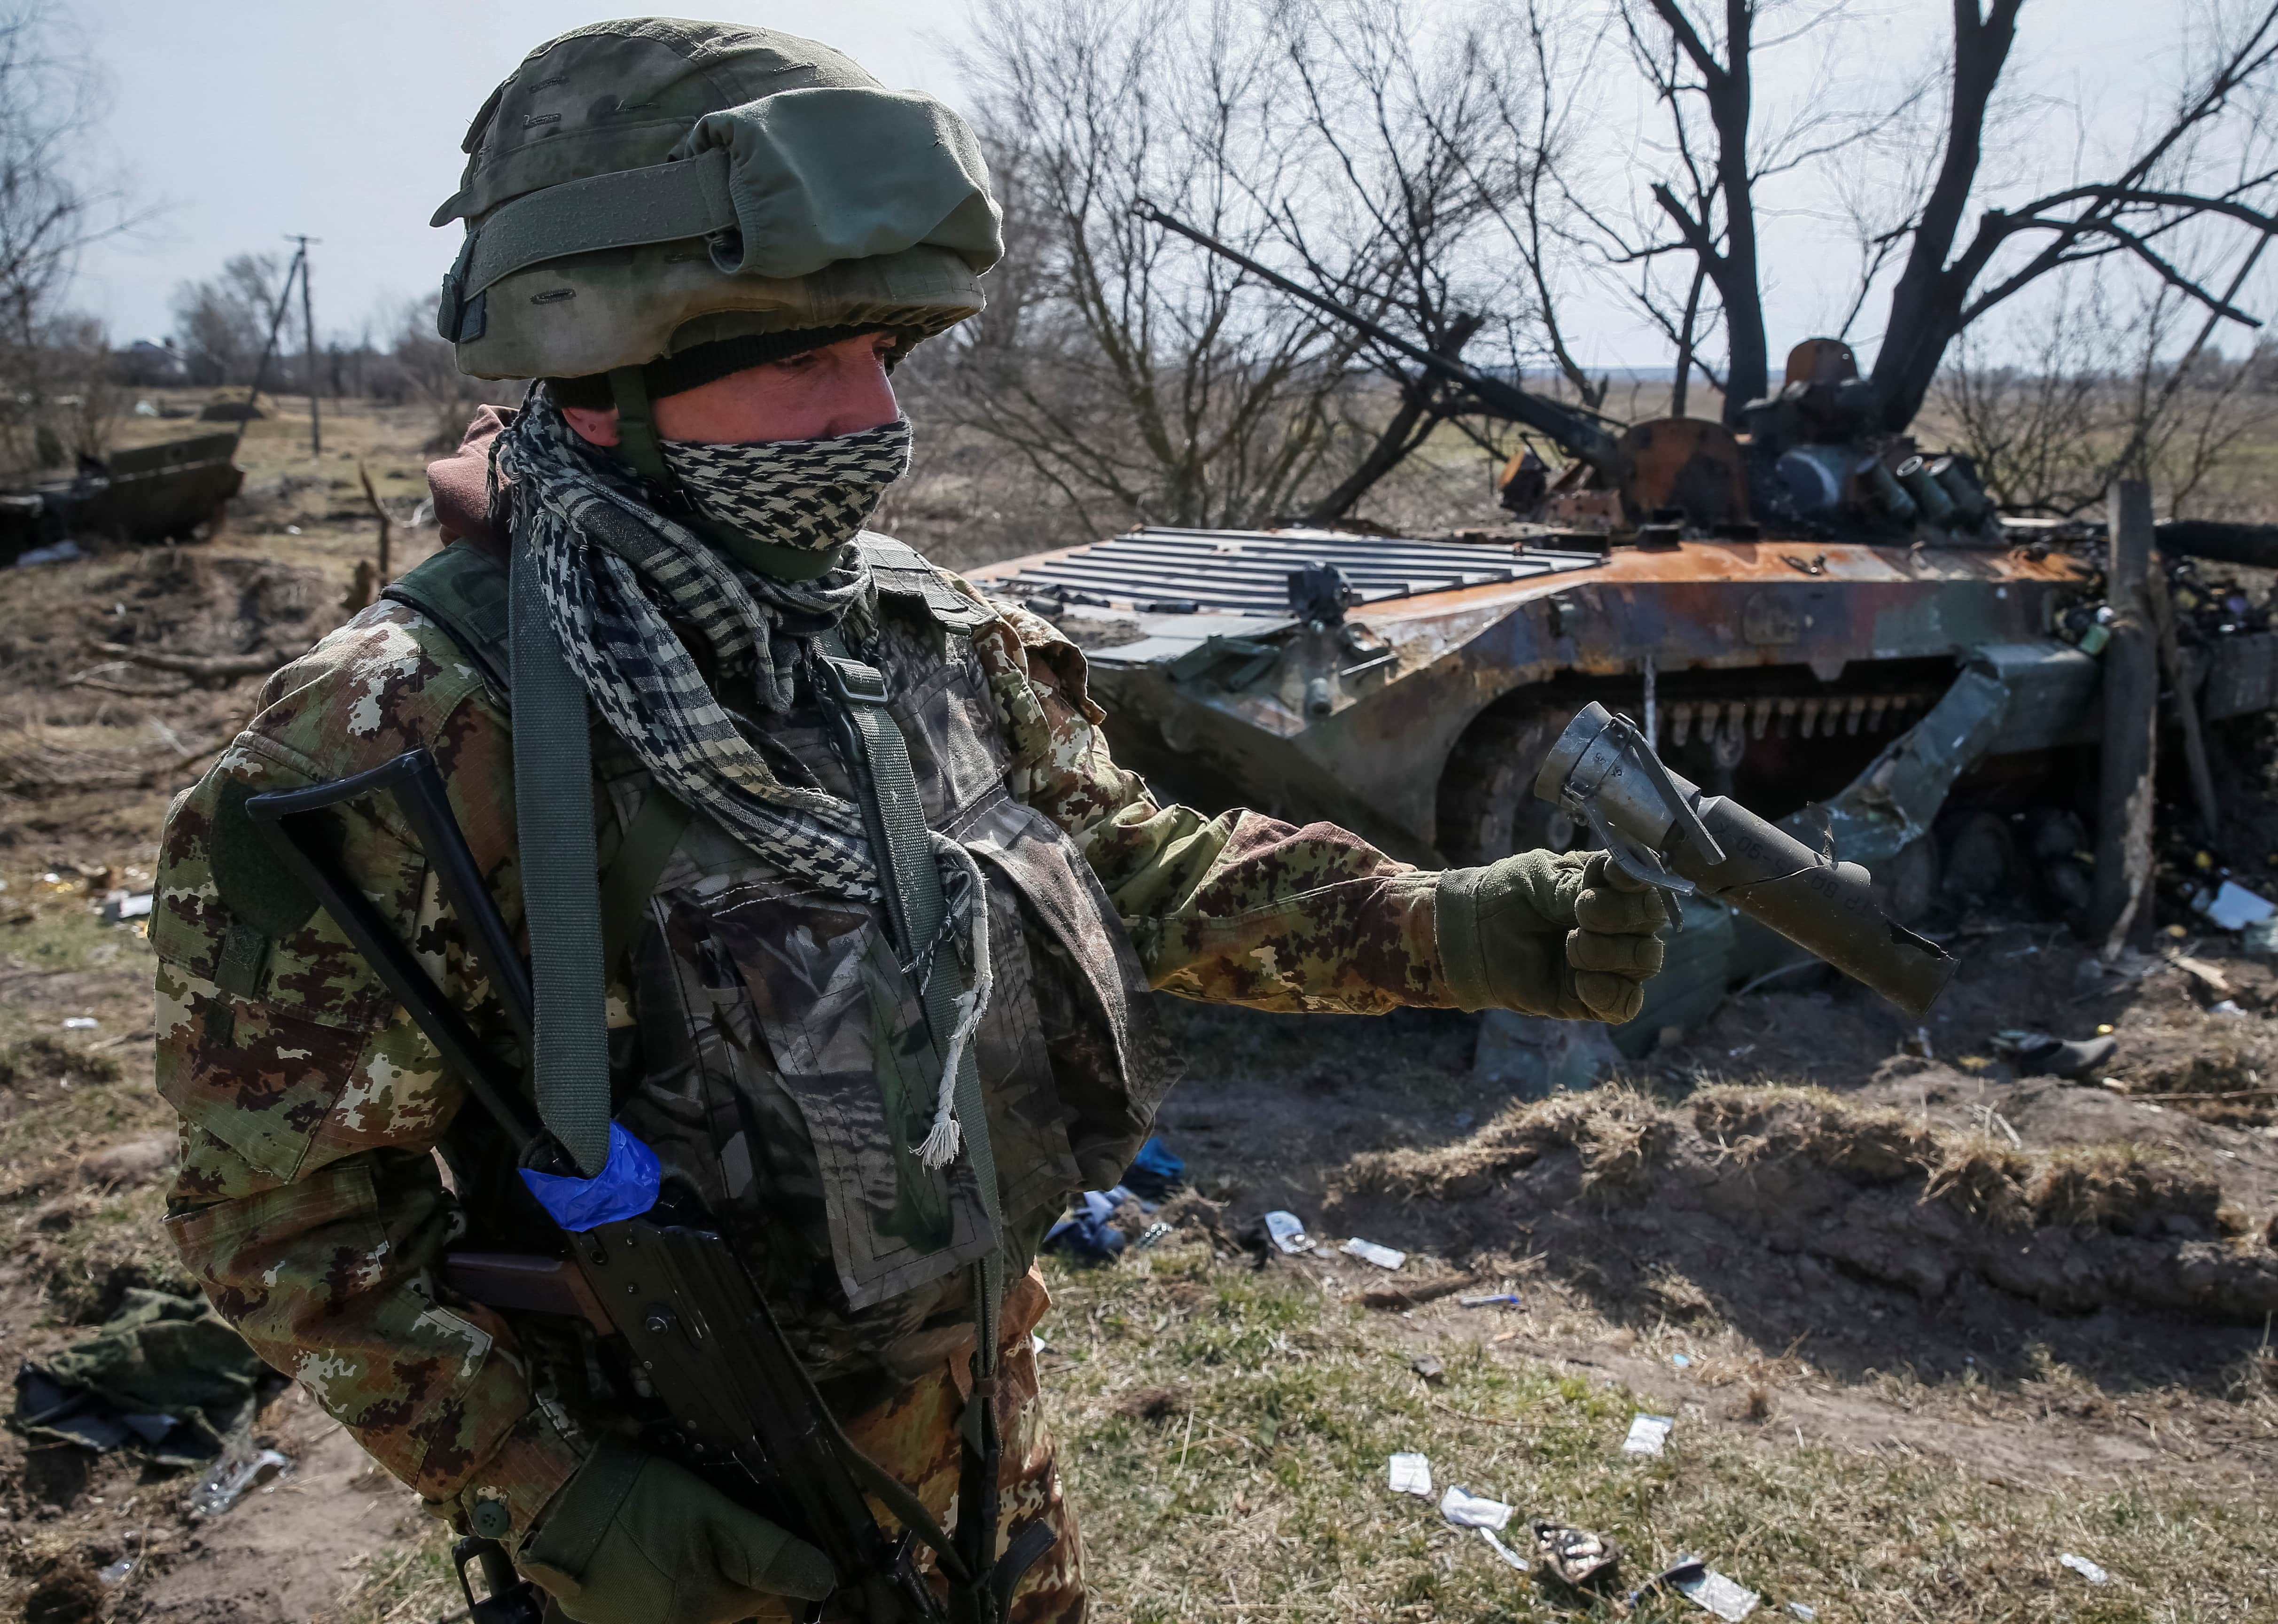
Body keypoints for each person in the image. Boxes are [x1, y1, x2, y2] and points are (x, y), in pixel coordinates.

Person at [151, 19, 1666, 1624]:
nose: (877, 417)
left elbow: (1133, 873)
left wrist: (1454, 929)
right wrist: (563, 1495)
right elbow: (282, 1217)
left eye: (892, 354)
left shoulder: (918, 633)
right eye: (809, 358)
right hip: (705, 1516)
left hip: (987, 1447)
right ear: (610, 368)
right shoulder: (402, 733)